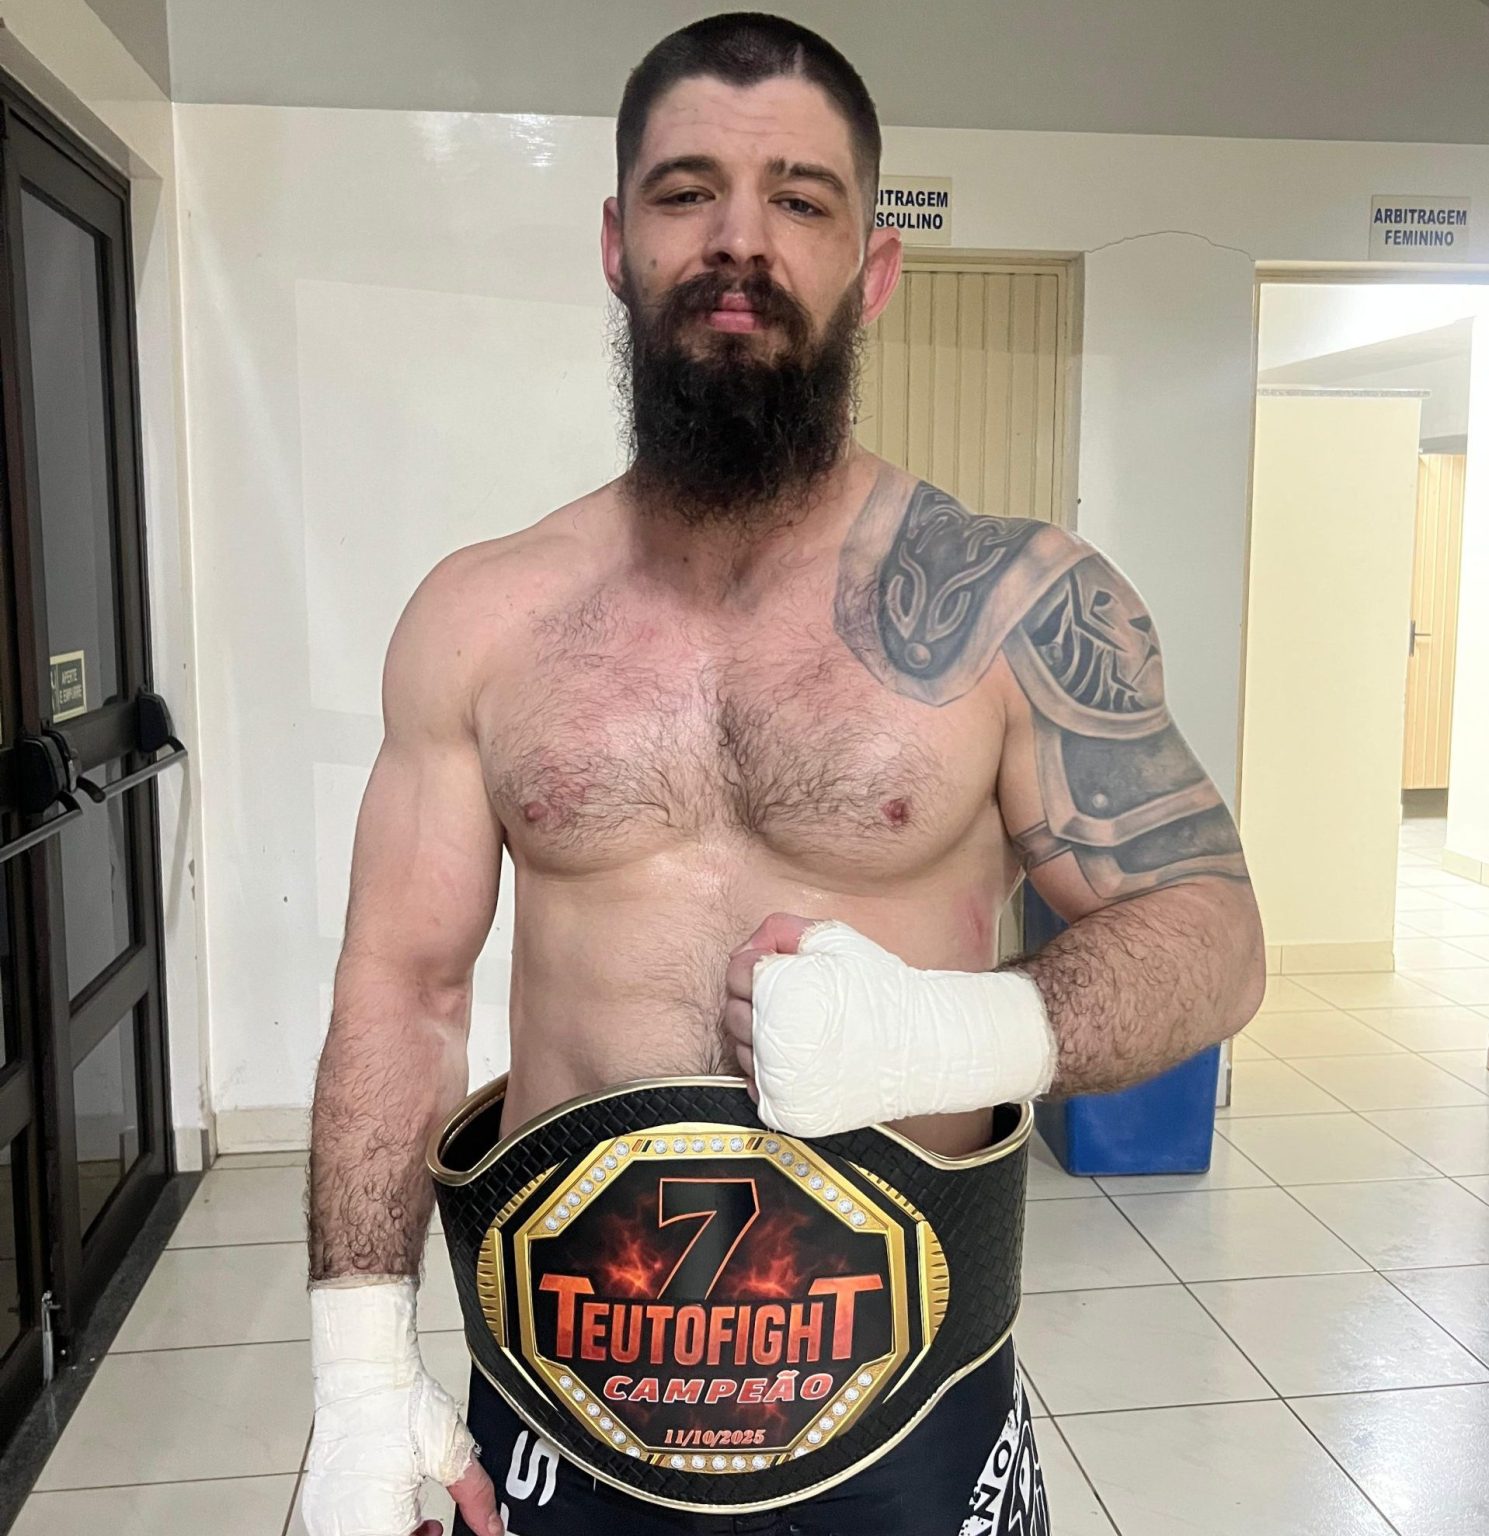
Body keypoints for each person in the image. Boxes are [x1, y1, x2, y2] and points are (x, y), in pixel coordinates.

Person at [299, 14, 1266, 1536]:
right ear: (617, 245)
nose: (739, 240)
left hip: (912, 1410)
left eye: (799, 200)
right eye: (686, 192)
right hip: (564, 1402)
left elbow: (1213, 938)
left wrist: (949, 1034)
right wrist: (358, 1375)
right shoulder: (481, 617)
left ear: (871, 267)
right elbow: (399, 989)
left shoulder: (1013, 605)